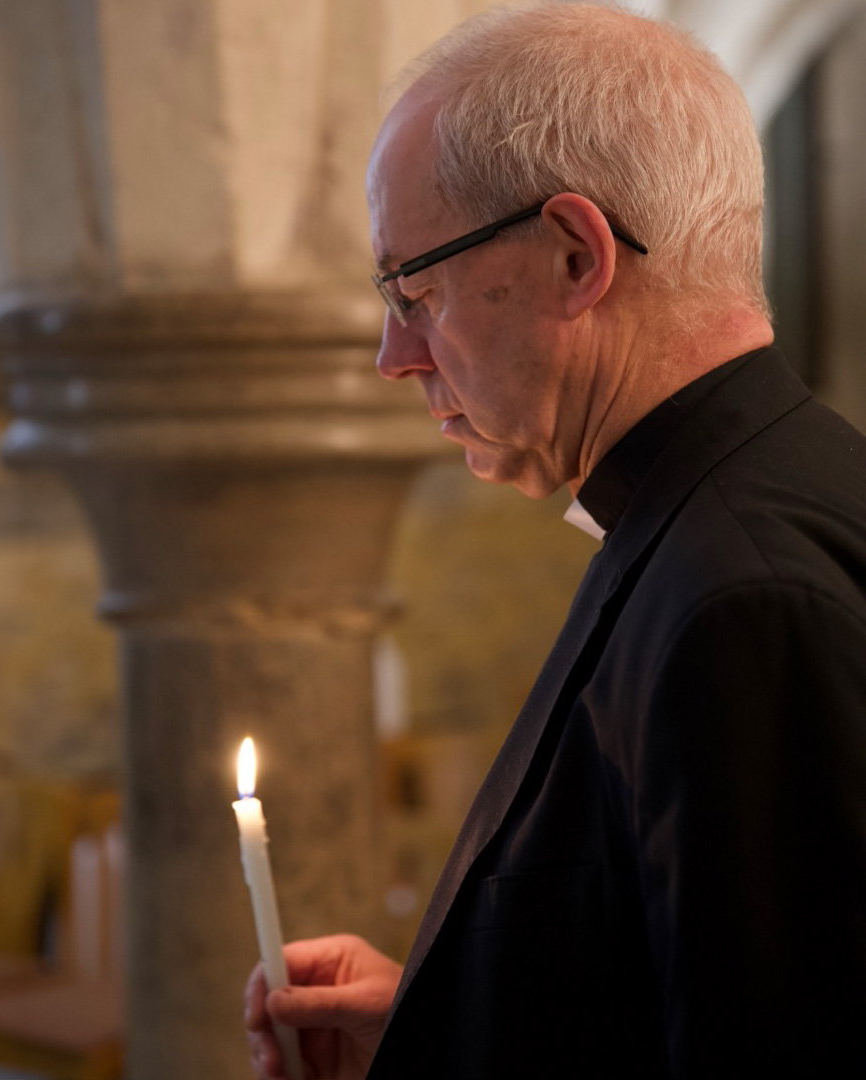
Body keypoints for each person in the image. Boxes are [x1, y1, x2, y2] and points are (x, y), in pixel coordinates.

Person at [245, 3, 866, 1077]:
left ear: (577, 255)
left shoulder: (743, 598)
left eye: (415, 289)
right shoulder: (718, 515)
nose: (395, 355)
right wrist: (446, 1024)